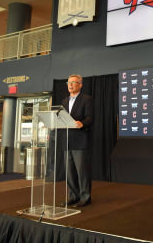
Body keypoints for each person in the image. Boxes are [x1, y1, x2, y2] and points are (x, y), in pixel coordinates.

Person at [62, 74, 93, 207]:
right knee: (69, 172)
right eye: (68, 82)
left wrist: (82, 123)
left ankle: (85, 197)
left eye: (73, 82)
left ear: (80, 85)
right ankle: (73, 196)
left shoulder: (86, 99)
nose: (70, 85)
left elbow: (90, 118)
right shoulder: (64, 101)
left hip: (80, 139)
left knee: (82, 172)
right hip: (66, 140)